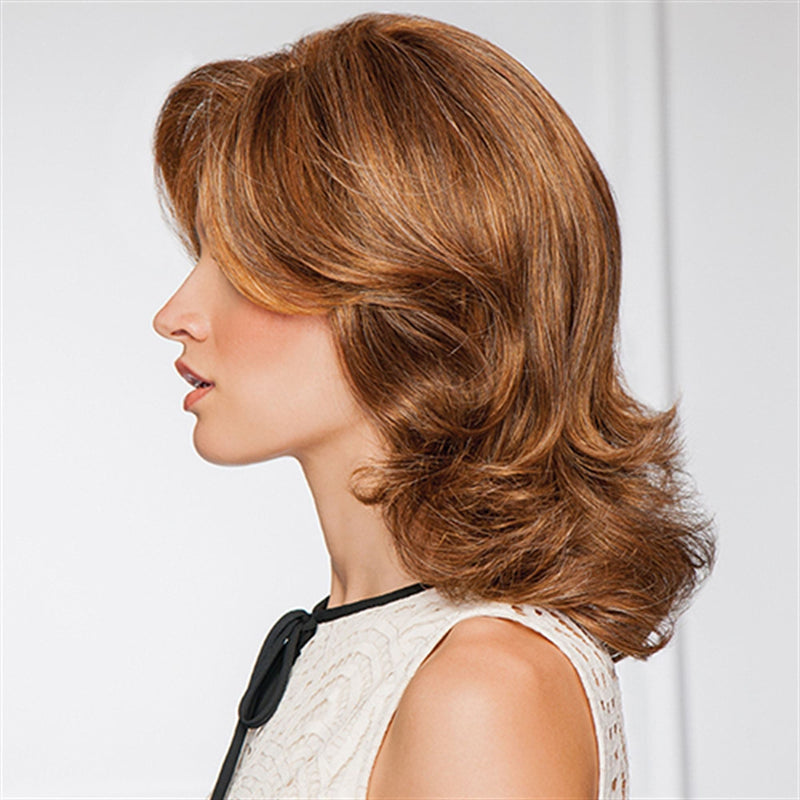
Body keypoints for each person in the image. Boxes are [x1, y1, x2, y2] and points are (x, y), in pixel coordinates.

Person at [151, 12, 714, 800]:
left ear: (416, 294)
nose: (174, 314)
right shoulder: (369, 644)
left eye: (244, 263)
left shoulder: (483, 690)